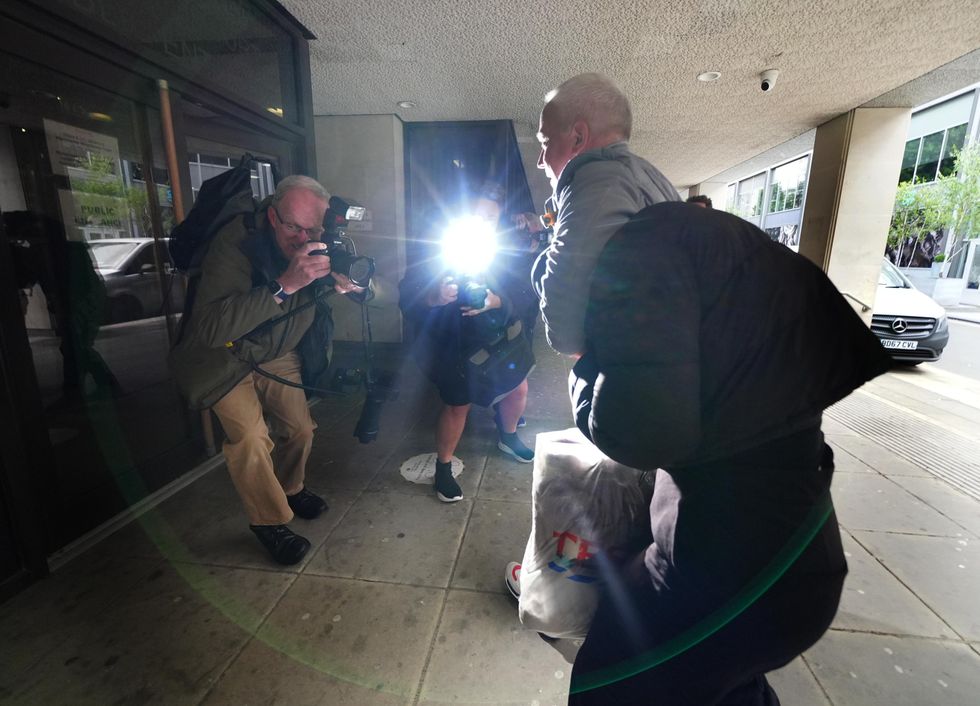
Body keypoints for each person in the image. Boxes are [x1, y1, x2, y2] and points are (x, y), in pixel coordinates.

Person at [526, 74, 893, 705]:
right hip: (785, 549)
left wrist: (584, 369)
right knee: (719, 686)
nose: (542, 161)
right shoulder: (684, 221)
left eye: (544, 144)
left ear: (577, 139)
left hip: (738, 569)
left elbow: (639, 429)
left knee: (607, 687)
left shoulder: (606, 205)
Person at [169, 175, 365, 565]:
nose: (303, 238)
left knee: (301, 428)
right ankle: (268, 521)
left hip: (275, 350)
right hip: (223, 356)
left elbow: (373, 291)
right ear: (273, 216)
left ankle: (291, 487)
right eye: (293, 227)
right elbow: (211, 328)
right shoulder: (234, 243)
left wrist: (351, 283)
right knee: (251, 438)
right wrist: (284, 285)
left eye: (313, 230)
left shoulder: (321, 240)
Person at [399, 188, 537, 503]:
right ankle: (444, 465)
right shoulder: (435, 249)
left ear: (499, 220)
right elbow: (407, 298)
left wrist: (497, 301)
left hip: (502, 341)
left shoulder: (509, 249)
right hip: (455, 347)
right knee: (457, 406)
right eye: (473, 215)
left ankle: (508, 436)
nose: (481, 222)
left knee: (517, 389)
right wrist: (434, 297)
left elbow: (528, 294)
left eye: (489, 217)